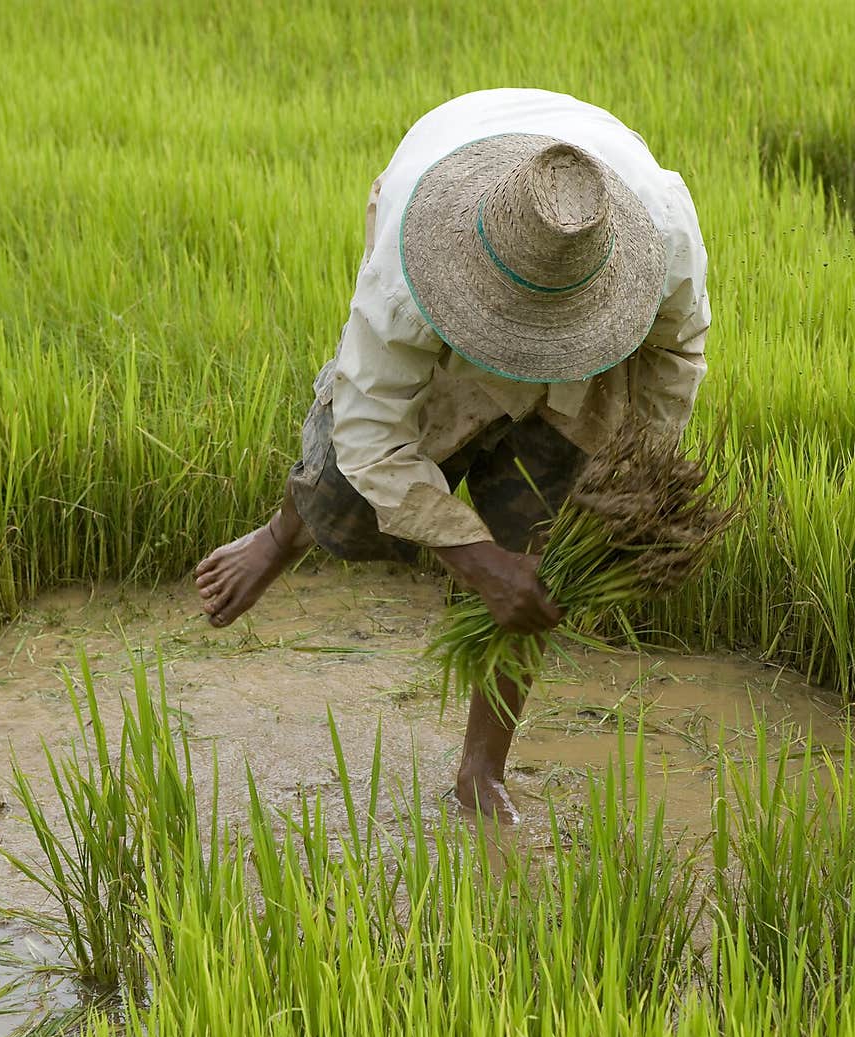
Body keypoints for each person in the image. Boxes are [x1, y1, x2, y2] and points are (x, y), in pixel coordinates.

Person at [196, 88, 710, 823]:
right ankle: (282, 535)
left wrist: (636, 472)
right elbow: (369, 432)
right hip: (457, 226)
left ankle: (480, 770)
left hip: (590, 336)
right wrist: (476, 562)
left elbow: (675, 353)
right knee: (348, 494)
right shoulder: (410, 269)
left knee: (537, 550)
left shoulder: (661, 240)